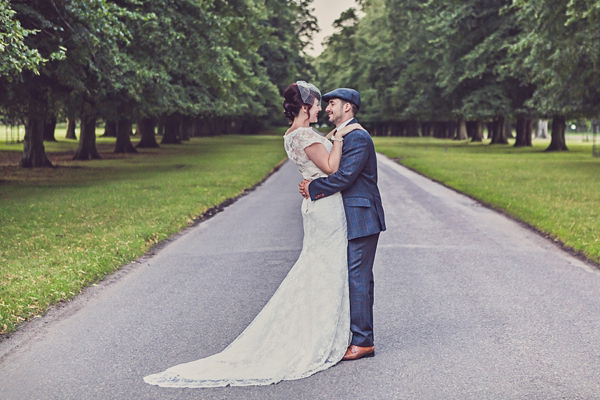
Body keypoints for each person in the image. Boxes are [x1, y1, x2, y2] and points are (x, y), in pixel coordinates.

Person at [143, 81, 361, 388]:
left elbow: (315, 156)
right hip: (326, 210)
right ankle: (320, 333)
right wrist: (339, 139)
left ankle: (324, 326)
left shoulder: (294, 135)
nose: (320, 109)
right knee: (326, 267)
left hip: (317, 206)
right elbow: (330, 167)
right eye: (316, 105)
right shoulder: (303, 135)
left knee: (318, 267)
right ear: (304, 107)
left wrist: (328, 138)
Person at [299, 87, 386, 361]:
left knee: (358, 278)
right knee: (353, 277)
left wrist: (314, 187)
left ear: (347, 107)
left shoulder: (358, 137)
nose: (327, 108)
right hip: (349, 217)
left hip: (361, 216)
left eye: (332, 104)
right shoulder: (341, 135)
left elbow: (345, 177)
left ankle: (363, 342)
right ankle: (354, 335)